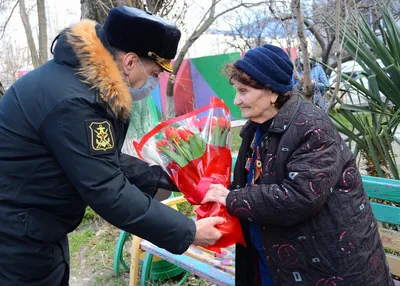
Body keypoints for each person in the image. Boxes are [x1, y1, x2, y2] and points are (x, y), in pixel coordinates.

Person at [0, 6, 223, 286]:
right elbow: (107, 190)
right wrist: (189, 231)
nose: (154, 83)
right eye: (154, 73)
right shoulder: (74, 102)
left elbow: (104, 160)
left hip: (33, 228)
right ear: (130, 62)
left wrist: (176, 178)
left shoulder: (78, 84)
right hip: (17, 239)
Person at [202, 44, 393, 285]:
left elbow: (300, 196)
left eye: (244, 91)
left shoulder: (312, 127)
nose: (236, 100)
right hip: (275, 261)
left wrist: (232, 199)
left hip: (324, 267)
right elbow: (254, 181)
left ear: (272, 92)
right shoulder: (256, 128)